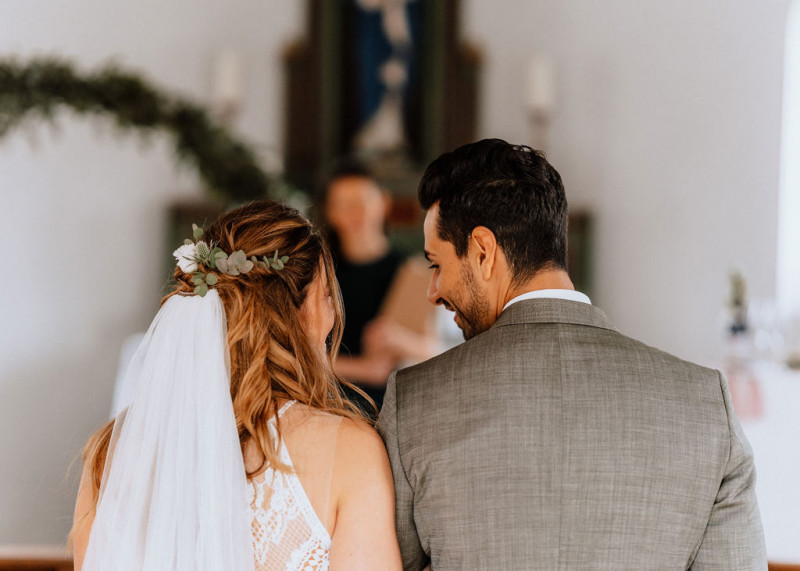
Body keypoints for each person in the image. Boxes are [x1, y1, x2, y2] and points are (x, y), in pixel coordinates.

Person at [377, 139, 767, 569]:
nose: (434, 291)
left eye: (436, 264)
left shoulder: (414, 400)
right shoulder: (704, 402)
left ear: (483, 252)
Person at [72, 200, 402, 570]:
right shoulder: (349, 450)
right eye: (327, 294)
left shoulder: (113, 451)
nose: (333, 313)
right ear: (303, 310)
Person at [318, 160, 437, 413]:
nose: (354, 212)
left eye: (362, 200)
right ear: (330, 212)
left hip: (387, 409)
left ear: (384, 202)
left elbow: (431, 349)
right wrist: (365, 368)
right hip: (323, 402)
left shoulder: (410, 271)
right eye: (343, 203)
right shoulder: (318, 272)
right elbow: (298, 354)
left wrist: (398, 339)